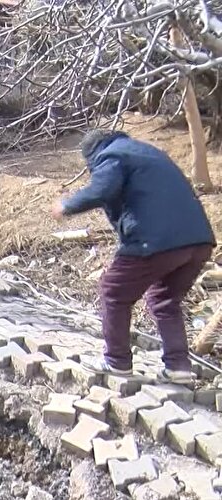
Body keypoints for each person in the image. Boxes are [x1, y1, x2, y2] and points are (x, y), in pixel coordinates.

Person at [53, 129, 216, 383]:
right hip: (198, 241)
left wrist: (68, 205)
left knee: (113, 291)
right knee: (164, 300)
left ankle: (116, 361)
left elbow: (102, 189)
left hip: (155, 240)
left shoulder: (111, 156)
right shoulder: (148, 153)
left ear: (92, 154)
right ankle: (178, 367)